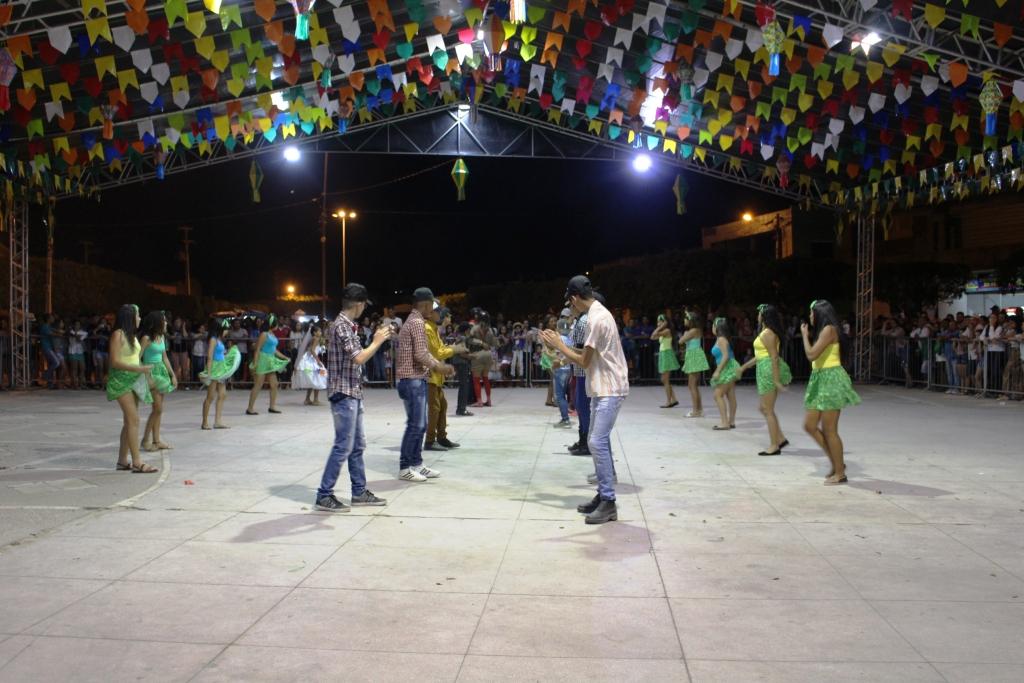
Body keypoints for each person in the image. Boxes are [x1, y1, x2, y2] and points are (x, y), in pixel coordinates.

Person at [541, 275, 628, 525]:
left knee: (597, 442)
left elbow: (585, 361)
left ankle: (608, 501)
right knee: (597, 441)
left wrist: (559, 343)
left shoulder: (595, 319)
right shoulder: (597, 314)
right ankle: (603, 496)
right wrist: (561, 352)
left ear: (574, 298)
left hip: (609, 388)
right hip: (601, 387)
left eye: (570, 303)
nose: (571, 307)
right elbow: (586, 353)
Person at [314, 283, 392, 512]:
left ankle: (359, 491)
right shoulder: (342, 326)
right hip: (343, 393)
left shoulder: (348, 325)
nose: (364, 309)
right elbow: (358, 358)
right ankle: (324, 495)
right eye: (363, 305)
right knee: (343, 446)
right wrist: (377, 341)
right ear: (358, 304)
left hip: (352, 391)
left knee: (357, 445)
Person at [395, 287, 454, 482]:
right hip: (412, 379)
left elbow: (422, 353)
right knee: (416, 425)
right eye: (432, 306)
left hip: (413, 379)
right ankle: (405, 467)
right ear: (426, 305)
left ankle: (417, 464)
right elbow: (421, 354)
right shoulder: (418, 323)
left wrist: (436, 366)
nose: (432, 310)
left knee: (419, 425)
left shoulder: (412, 321)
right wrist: (440, 367)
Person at [802, 300, 861, 485]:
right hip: (820, 378)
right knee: (810, 425)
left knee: (829, 430)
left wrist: (804, 335)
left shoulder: (828, 329)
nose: (810, 316)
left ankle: (840, 472)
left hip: (831, 379)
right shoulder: (824, 330)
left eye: (811, 313)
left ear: (819, 313)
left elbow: (811, 354)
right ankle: (838, 464)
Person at [106, 304, 157, 473]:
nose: (140, 318)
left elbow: (134, 358)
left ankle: (122, 460)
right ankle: (137, 462)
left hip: (133, 380)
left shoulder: (132, 336)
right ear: (129, 317)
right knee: (133, 420)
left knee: (129, 421)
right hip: (120, 381)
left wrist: (143, 371)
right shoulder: (117, 335)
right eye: (137, 315)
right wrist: (139, 369)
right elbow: (114, 362)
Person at [739, 304, 792, 456]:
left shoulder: (767, 333)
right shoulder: (765, 332)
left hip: (768, 370)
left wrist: (776, 381)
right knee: (764, 408)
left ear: (764, 316)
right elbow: (760, 355)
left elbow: (774, 357)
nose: (757, 315)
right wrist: (744, 367)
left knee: (767, 409)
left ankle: (774, 445)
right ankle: (780, 438)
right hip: (764, 368)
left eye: (759, 313)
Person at [424, 305, 466, 450]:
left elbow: (440, 350)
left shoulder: (433, 328)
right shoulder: (427, 328)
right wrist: (455, 349)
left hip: (436, 374)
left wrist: (452, 349)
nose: (442, 316)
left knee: (442, 406)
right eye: (439, 313)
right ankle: (430, 441)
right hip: (429, 375)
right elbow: (438, 353)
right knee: (434, 408)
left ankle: (441, 437)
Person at [139, 311, 177, 451]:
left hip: (161, 372)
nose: (166, 323)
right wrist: (146, 374)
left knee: (159, 410)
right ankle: (145, 440)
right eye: (164, 321)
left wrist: (172, 374)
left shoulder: (161, 337)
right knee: (157, 408)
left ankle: (156, 440)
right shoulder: (146, 338)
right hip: (151, 372)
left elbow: (165, 357)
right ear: (157, 322)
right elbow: (138, 358)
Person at [246, 314, 291, 415]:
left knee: (274, 384)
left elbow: (274, 350)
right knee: (258, 385)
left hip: (270, 361)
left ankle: (272, 407)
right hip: (262, 360)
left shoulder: (272, 334)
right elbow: (257, 349)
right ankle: (250, 408)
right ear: (272, 324)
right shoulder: (264, 334)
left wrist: (284, 357)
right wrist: (255, 363)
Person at [200, 319, 241, 430]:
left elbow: (220, 353)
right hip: (214, 369)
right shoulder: (213, 340)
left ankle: (218, 421)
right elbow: (209, 356)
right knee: (210, 396)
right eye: (225, 329)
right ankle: (204, 422)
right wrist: (208, 373)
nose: (227, 331)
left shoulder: (219, 339)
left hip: (221, 368)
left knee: (222, 395)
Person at [709, 316, 741, 431]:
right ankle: (731, 421)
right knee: (730, 395)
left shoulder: (721, 339)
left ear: (717, 327)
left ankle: (725, 422)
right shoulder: (721, 338)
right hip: (729, 367)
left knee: (717, 395)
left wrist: (717, 371)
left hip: (726, 368)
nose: (711, 327)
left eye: (713, 325)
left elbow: (726, 356)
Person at [679, 311, 707, 416]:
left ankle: (696, 411)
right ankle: (699, 409)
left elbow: (681, 341)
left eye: (686, 319)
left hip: (694, 356)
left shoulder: (693, 331)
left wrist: (685, 334)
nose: (684, 321)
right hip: (694, 355)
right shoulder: (696, 330)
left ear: (691, 321)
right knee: (693, 385)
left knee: (692, 385)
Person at [293, 324, 328, 405]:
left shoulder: (314, 339)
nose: (320, 332)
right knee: (319, 377)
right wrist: (318, 361)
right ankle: (315, 399)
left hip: (308, 359)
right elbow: (312, 350)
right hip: (312, 360)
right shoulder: (316, 339)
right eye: (319, 331)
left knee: (312, 379)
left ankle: (307, 399)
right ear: (315, 333)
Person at [468, 309, 497, 407]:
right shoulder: (491, 330)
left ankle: (479, 401)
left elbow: (469, 340)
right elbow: (494, 343)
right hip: (488, 354)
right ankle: (489, 400)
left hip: (477, 354)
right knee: (485, 378)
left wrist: (480, 343)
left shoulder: (475, 328)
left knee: (476, 379)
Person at [651, 313, 680, 408]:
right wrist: (660, 327)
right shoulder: (663, 331)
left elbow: (654, 334)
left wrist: (661, 327)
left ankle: (669, 401)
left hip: (666, 354)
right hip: (663, 354)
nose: (658, 323)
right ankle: (674, 399)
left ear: (665, 322)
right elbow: (652, 337)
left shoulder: (667, 330)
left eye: (660, 321)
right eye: (658, 321)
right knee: (664, 379)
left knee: (665, 380)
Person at [451, 322, 475, 417]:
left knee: (463, 386)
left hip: (459, 363)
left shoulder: (459, 337)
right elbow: (461, 353)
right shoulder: (463, 338)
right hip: (462, 363)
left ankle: (461, 409)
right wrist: (472, 357)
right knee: (464, 387)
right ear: (467, 330)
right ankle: (462, 409)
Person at [39, 314, 62, 389]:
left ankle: (50, 384)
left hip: (50, 347)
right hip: (46, 347)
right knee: (56, 362)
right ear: (48, 319)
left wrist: (60, 331)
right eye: (52, 318)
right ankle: (45, 374)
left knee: (51, 364)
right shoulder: (45, 326)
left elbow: (55, 331)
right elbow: (52, 334)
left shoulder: (49, 326)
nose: (53, 319)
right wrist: (59, 334)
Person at [168, 317, 191, 390]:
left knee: (185, 368)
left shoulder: (184, 329)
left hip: (183, 350)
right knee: (176, 368)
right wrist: (173, 337)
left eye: (179, 322)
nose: (178, 323)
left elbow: (186, 336)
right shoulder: (171, 330)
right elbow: (168, 336)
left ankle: (186, 384)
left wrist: (183, 327)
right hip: (174, 350)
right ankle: (176, 384)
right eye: (176, 322)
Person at [66, 320, 88, 390]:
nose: (77, 326)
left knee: (82, 368)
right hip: (72, 351)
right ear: (73, 325)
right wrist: (74, 333)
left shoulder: (83, 332)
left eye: (78, 324)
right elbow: (77, 338)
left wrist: (75, 334)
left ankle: (81, 384)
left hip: (80, 352)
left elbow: (79, 339)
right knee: (74, 369)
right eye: (75, 324)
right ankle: (75, 385)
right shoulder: (70, 332)